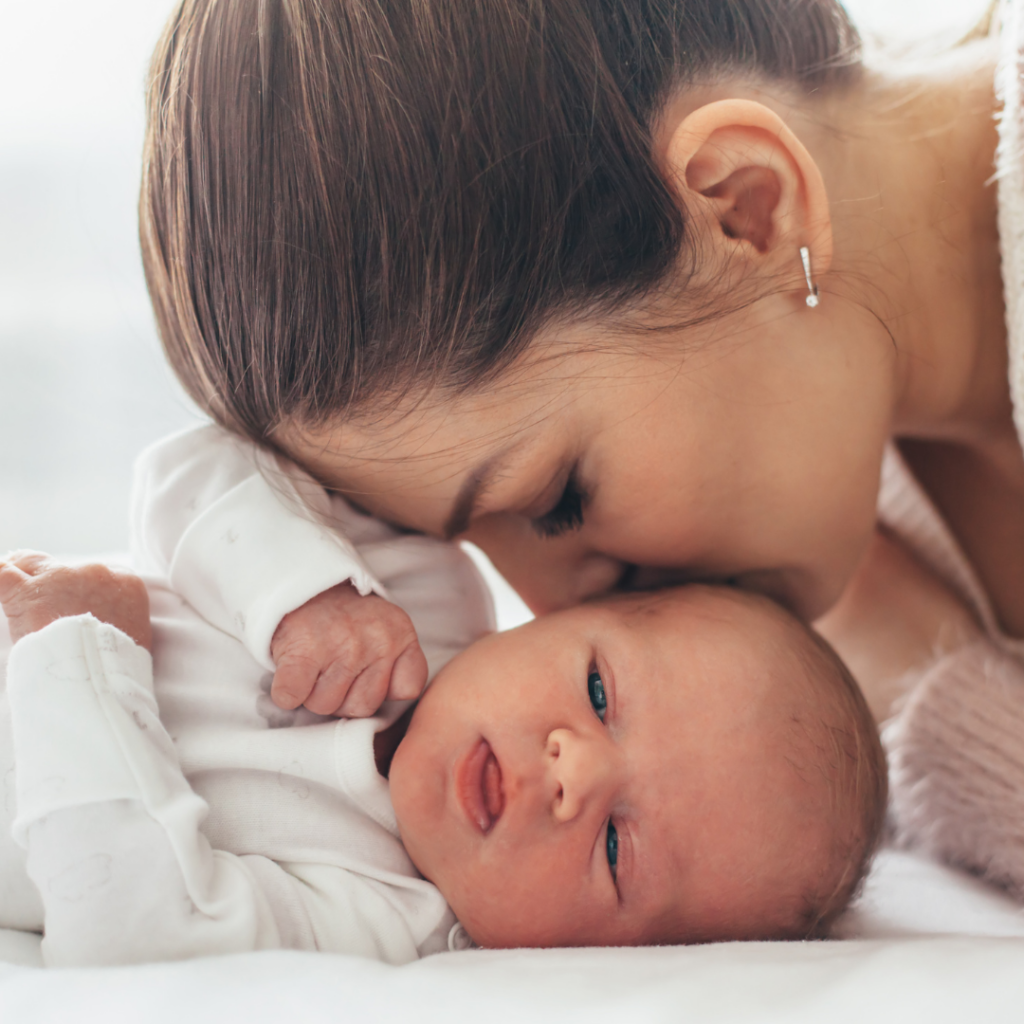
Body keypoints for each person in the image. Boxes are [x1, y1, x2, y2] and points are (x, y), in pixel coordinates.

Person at [138, 1, 1022, 892]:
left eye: (560, 496)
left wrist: (925, 692)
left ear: (742, 205)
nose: (550, 607)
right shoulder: (846, 446)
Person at [0, 540, 885, 964]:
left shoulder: (382, 919)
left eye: (617, 848)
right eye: (601, 694)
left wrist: (79, 649)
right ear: (556, 614)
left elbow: (128, 927)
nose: (573, 772)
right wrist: (299, 588)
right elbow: (201, 464)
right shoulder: (414, 586)